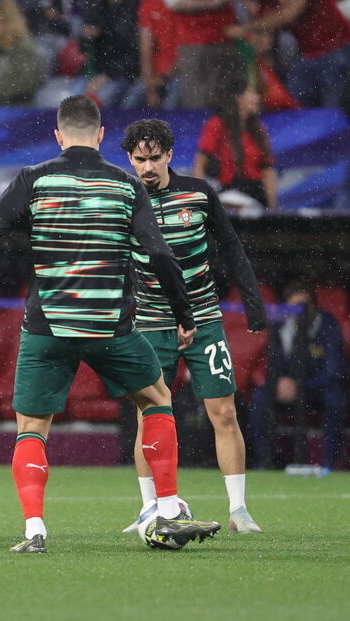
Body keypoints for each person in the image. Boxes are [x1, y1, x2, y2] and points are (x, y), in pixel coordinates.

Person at [0, 95, 222, 553]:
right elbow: (159, 252)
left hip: (48, 326)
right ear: (101, 136)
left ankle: (35, 530)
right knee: (157, 399)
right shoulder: (125, 184)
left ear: (58, 136)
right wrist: (183, 312)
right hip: (110, 326)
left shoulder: (35, 178)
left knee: (32, 427)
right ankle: (166, 507)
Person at [120, 118, 267, 534]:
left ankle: (238, 510)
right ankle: (150, 508)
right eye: (139, 159)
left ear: (169, 154)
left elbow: (233, 249)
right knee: (149, 415)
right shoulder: (125, 199)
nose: (147, 167)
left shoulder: (199, 194)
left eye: (154, 158)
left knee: (223, 412)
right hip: (150, 323)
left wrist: (253, 307)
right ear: (129, 159)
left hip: (203, 320)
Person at [249, 284, 347, 471]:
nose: (300, 313)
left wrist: (302, 385)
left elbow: (334, 371)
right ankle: (264, 463)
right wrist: (279, 383)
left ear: (314, 306)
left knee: (335, 399)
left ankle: (329, 465)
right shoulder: (280, 326)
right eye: (294, 307)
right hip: (288, 388)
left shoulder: (327, 325)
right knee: (259, 399)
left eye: (305, 306)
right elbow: (273, 364)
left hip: (317, 388)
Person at [193, 73, 277, 208]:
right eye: (252, 93)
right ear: (238, 98)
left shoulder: (259, 130)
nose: (257, 98)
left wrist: (272, 208)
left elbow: (267, 171)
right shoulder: (217, 125)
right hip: (230, 193)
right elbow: (200, 165)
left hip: (256, 195)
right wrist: (201, 203)